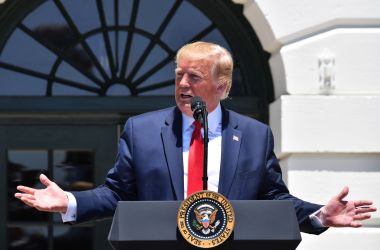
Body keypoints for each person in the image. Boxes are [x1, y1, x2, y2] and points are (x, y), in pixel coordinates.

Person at [15, 41, 376, 234]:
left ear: (222, 86)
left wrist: (318, 215)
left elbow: (274, 199)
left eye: (195, 77)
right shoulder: (142, 131)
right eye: (178, 76)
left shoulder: (253, 135)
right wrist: (69, 203)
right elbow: (117, 195)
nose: (183, 84)